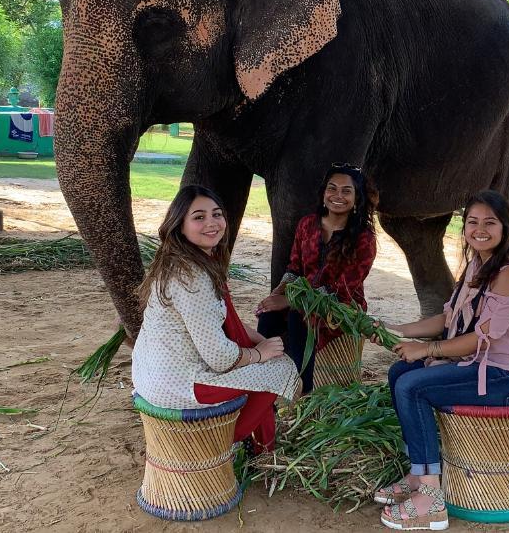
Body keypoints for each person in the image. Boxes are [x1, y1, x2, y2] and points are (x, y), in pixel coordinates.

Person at [374, 190, 509, 531]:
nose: (480, 229)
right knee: (400, 373)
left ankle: (430, 499)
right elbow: (448, 320)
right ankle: (418, 471)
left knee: (413, 387)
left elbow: (482, 338)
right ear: (464, 227)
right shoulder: (477, 265)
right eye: (472, 222)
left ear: (505, 227)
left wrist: (426, 350)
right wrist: (393, 329)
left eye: (490, 223)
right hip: (483, 366)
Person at [131, 185, 300, 453]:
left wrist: (261, 342)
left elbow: (218, 321)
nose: (211, 223)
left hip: (150, 374)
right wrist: (258, 354)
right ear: (180, 225)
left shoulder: (180, 261)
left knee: (266, 365)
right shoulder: (193, 279)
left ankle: (259, 442)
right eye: (199, 217)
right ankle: (224, 440)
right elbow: (220, 359)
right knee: (281, 370)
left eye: (216, 214)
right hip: (179, 384)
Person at [256, 163, 378, 394]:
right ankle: (265, 381)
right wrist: (277, 294)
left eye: (346, 191)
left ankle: (305, 389)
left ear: (357, 199)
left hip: (340, 309)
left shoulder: (364, 238)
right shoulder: (307, 225)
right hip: (301, 299)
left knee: (299, 316)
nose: (337, 196)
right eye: (332, 189)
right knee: (269, 314)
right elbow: (294, 268)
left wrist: (291, 302)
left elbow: (342, 290)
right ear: (323, 194)